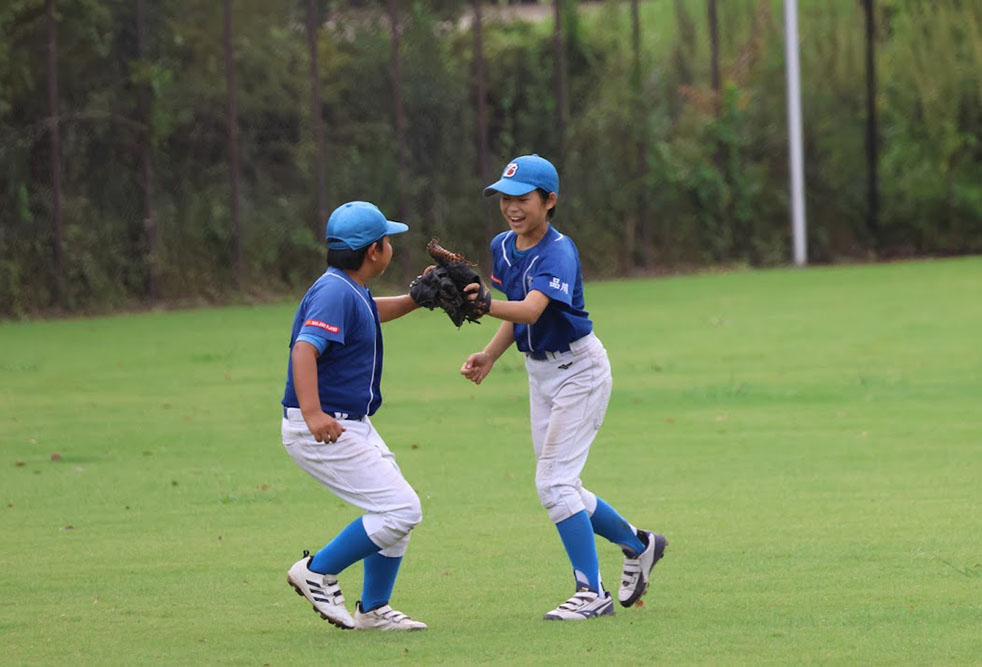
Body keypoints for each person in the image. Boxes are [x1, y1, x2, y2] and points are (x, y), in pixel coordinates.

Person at [460, 155, 668, 621]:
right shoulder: (503, 245)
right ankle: (639, 545)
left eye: (523, 199)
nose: (512, 208)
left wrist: (484, 305)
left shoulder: (558, 251)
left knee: (553, 484)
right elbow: (513, 312)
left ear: (549, 201)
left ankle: (590, 593)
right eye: (505, 199)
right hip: (541, 373)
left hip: (580, 371)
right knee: (563, 484)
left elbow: (531, 310)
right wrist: (490, 354)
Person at [282, 201, 428, 631]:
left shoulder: (348, 288)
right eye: (388, 241)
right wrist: (313, 413)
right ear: (374, 252)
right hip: (323, 428)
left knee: (394, 509)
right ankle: (317, 570)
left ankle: (374, 610)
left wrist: (416, 299)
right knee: (401, 509)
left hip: (349, 424)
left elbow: (370, 312)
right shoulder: (333, 292)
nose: (390, 247)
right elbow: (305, 348)